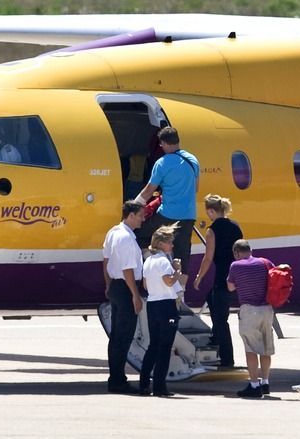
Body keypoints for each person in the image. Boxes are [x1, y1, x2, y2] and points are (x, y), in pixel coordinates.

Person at [135, 126, 199, 290]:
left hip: (167, 215)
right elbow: (196, 188)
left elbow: (149, 190)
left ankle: (153, 259)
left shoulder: (162, 163)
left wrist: (134, 207)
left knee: (139, 235)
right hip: (188, 215)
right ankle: (181, 295)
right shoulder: (193, 160)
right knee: (183, 253)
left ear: (163, 143)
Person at [193, 194, 243, 367]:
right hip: (237, 275)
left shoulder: (212, 230)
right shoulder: (236, 226)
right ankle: (215, 339)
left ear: (211, 211)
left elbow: (208, 257)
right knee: (211, 300)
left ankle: (227, 357)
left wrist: (199, 277)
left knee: (221, 319)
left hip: (222, 277)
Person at [102, 200, 145, 394]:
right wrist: (135, 295)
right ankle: (118, 380)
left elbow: (106, 261)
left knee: (117, 337)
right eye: (141, 215)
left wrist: (109, 284)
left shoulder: (113, 232)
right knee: (124, 336)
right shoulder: (126, 238)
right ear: (131, 215)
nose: (143, 219)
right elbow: (128, 269)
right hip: (126, 287)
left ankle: (116, 378)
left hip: (116, 286)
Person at [227, 239, 274, 398]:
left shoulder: (236, 266)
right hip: (267, 310)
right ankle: (265, 382)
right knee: (266, 349)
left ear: (237, 253)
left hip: (249, 311)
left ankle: (254, 385)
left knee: (251, 349)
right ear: (250, 250)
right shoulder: (265, 262)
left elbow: (230, 287)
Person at [139, 224, 183, 397]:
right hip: (166, 305)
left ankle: (144, 384)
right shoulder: (163, 261)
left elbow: (145, 284)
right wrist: (177, 270)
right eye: (170, 242)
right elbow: (169, 282)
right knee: (165, 347)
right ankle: (159, 386)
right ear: (162, 243)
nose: (172, 245)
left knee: (153, 345)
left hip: (153, 303)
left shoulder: (148, 260)